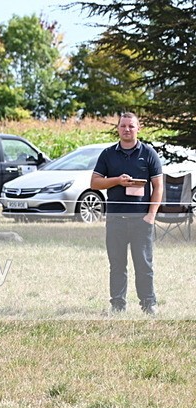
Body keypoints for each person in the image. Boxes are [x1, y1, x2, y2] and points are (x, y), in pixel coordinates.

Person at [90, 112, 163, 315]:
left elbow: (158, 187)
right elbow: (94, 183)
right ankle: (118, 305)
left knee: (144, 265)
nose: (127, 129)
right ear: (118, 128)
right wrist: (117, 181)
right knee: (117, 265)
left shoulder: (149, 153)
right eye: (123, 126)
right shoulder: (108, 154)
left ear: (138, 128)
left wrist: (151, 216)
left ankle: (149, 304)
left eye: (131, 126)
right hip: (116, 220)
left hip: (141, 220)